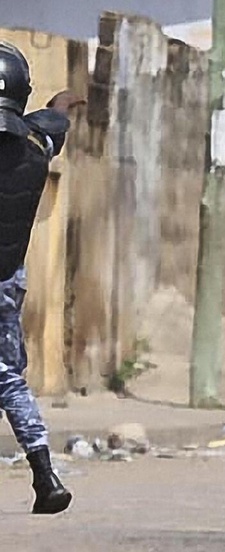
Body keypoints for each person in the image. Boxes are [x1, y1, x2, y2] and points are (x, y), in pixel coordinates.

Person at [0, 42, 83, 514]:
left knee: (6, 378)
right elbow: (54, 125)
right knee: (10, 377)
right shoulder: (35, 151)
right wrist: (61, 103)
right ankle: (44, 473)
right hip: (8, 281)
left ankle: (45, 475)